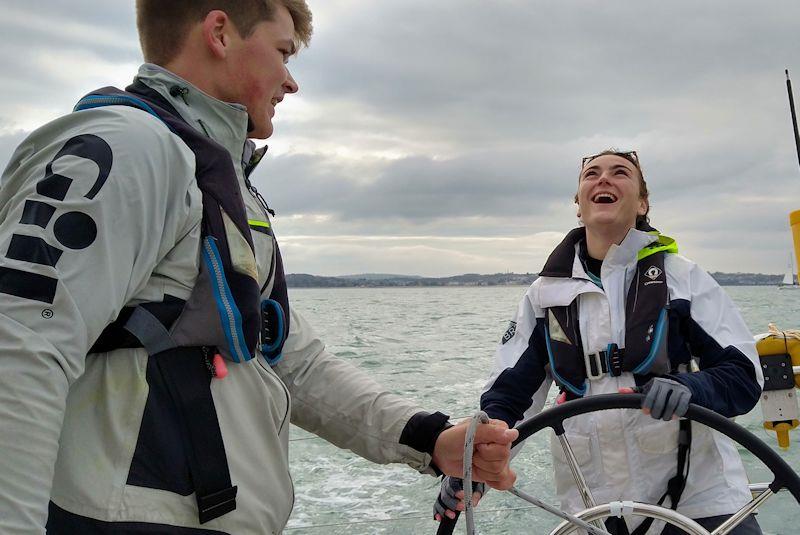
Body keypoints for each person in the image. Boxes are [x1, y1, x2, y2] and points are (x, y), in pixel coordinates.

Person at [0, 2, 518, 533]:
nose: (290, 82)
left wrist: (428, 439)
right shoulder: (125, 147)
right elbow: (21, 346)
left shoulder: (218, 178)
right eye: (283, 52)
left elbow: (287, 355)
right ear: (220, 33)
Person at [433, 150, 764, 534]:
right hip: (594, 512)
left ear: (642, 203)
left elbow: (743, 377)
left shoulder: (684, 280)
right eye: (592, 174)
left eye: (620, 172)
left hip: (701, 503)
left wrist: (690, 387)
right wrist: (473, 466)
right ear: (579, 204)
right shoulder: (544, 297)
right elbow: (509, 400)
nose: (603, 179)